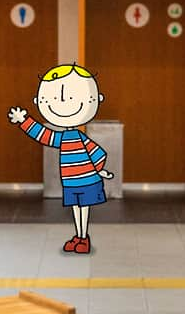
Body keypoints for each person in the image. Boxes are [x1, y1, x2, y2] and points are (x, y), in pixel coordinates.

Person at [8, 64, 113, 253]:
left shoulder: (77, 138)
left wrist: (99, 169)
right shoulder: (64, 138)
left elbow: (97, 152)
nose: (64, 104)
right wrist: (24, 122)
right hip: (72, 182)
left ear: (96, 100)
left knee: (83, 209)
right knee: (76, 208)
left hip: (87, 180)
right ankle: (80, 235)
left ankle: (83, 237)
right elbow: (43, 134)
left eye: (73, 98)